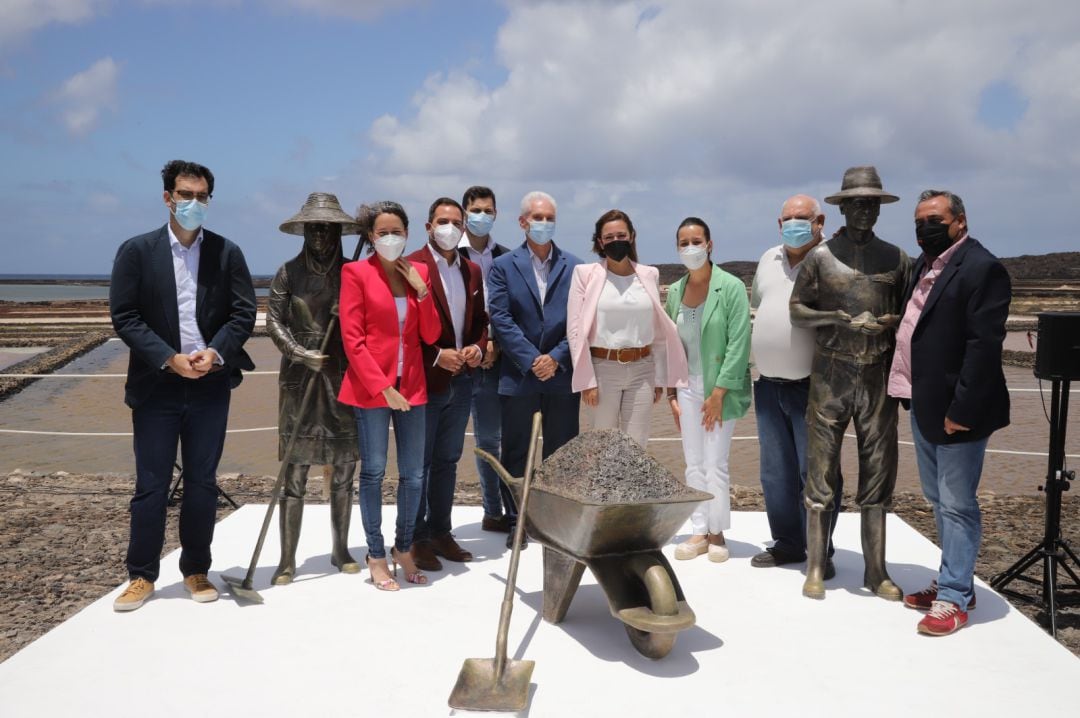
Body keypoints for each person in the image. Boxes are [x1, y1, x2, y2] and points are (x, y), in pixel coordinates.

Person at [109, 159, 256, 611]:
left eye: (202, 196)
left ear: (209, 199)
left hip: (210, 383)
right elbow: (125, 317)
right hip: (157, 386)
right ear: (167, 196)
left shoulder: (227, 253)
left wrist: (214, 352)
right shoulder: (136, 251)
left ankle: (196, 569)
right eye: (185, 194)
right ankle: (141, 575)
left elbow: (243, 313)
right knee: (151, 485)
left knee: (202, 483)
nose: (193, 203)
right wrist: (167, 358)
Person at [889, 190, 1010, 636]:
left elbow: (983, 347)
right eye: (920, 220)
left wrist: (962, 409)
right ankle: (953, 581)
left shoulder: (982, 269)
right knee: (938, 499)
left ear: (960, 220)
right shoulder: (925, 265)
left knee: (957, 503)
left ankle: (955, 598)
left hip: (958, 412)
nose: (925, 228)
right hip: (923, 402)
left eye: (935, 219)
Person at [790, 166, 910, 600]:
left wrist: (892, 322)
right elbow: (796, 309)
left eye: (872, 203)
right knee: (821, 472)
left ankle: (875, 570)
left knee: (879, 472)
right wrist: (832, 317)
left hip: (876, 376)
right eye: (857, 203)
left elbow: (911, 317)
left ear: (879, 208)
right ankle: (816, 565)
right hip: (831, 376)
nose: (865, 211)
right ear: (844, 207)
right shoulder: (820, 257)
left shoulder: (897, 259)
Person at [338, 201, 441, 591]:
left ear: (408, 233)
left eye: (397, 230)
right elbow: (353, 338)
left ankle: (404, 548)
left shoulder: (420, 271)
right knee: (374, 472)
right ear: (371, 237)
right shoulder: (355, 273)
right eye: (383, 232)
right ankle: (376, 554)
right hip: (372, 388)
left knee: (414, 474)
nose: (391, 237)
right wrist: (382, 387)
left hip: (413, 385)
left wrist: (422, 291)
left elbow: (430, 335)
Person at [265, 192, 363, 584]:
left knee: (343, 470)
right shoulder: (287, 272)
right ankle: (287, 559)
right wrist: (298, 351)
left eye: (327, 228)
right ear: (304, 231)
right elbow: (272, 321)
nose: (321, 236)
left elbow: (370, 323)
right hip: (299, 379)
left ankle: (340, 550)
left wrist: (348, 314)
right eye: (314, 228)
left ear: (337, 231)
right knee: (295, 472)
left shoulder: (354, 272)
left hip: (342, 378)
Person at [749, 195, 841, 576]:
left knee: (816, 472)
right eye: (786, 219)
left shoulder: (834, 261)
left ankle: (821, 549)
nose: (792, 224)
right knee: (775, 471)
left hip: (812, 388)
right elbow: (759, 305)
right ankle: (787, 542)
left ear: (819, 220)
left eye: (801, 218)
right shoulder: (768, 259)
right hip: (767, 385)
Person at [487, 190, 583, 548]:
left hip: (560, 375)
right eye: (537, 217)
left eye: (549, 218)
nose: (544, 223)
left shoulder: (575, 266)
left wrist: (555, 357)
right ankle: (518, 520)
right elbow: (501, 317)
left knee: (560, 451)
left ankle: (555, 521)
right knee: (516, 450)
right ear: (523, 221)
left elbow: (580, 321)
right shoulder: (502, 266)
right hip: (519, 376)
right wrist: (531, 359)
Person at [407, 197, 488, 571]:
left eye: (457, 222)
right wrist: (437, 356)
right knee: (419, 464)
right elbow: (401, 331)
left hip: (463, 381)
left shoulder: (472, 271)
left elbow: (481, 322)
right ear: (428, 227)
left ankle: (441, 531)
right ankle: (416, 538)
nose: (450, 228)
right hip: (426, 380)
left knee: (448, 461)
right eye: (443, 221)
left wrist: (475, 347)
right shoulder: (411, 267)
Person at [663, 217, 751, 563]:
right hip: (686, 388)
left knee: (716, 462)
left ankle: (717, 532)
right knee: (693, 462)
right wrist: (671, 393)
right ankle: (699, 529)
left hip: (720, 389)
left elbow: (740, 343)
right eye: (683, 243)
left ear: (709, 245)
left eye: (696, 241)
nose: (690, 248)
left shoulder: (729, 287)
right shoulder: (674, 291)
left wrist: (719, 394)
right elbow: (671, 347)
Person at [567, 209, 687, 446]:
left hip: (642, 370)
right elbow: (575, 330)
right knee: (603, 447)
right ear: (600, 242)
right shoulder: (584, 274)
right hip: (602, 369)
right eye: (609, 237)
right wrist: (585, 380)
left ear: (631, 236)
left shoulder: (649, 274)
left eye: (621, 235)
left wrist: (659, 378)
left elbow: (658, 332)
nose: (615, 241)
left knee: (636, 446)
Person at [458, 186, 513, 533]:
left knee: (492, 439)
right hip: (455, 362)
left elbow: (510, 309)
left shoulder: (506, 257)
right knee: (443, 446)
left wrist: (496, 346)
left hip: (496, 360)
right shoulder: (449, 254)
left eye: (488, 210)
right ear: (464, 212)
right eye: (476, 209)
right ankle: (434, 527)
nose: (482, 215)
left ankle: (496, 511)